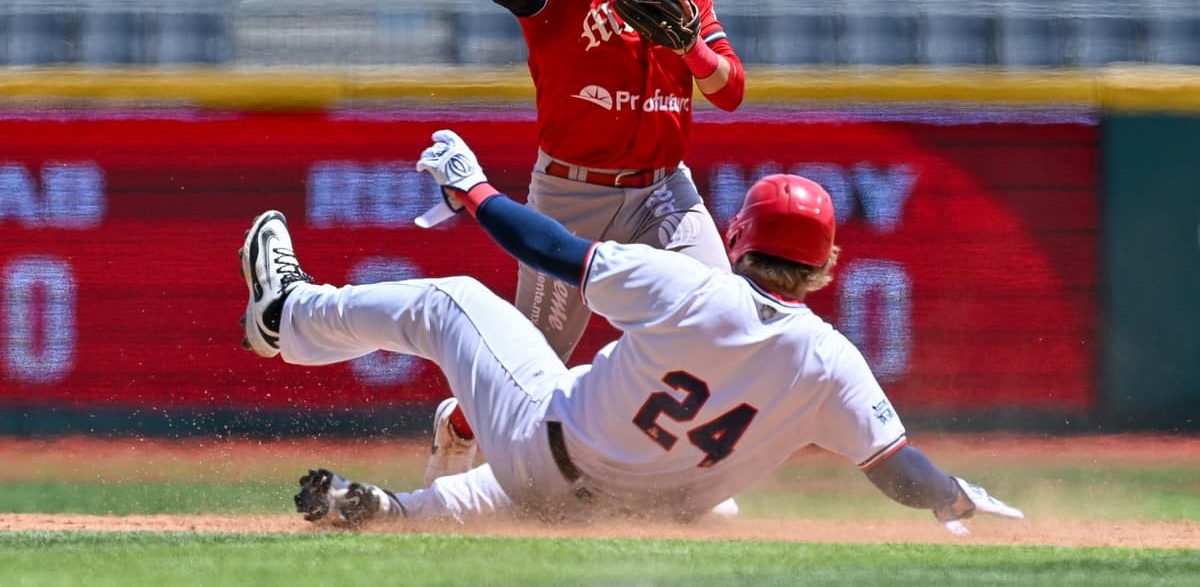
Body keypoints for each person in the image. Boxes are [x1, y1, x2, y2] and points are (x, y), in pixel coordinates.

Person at [239, 130, 1024, 534]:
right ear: (824, 269)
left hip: (547, 454)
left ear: (739, 235)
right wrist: (959, 499)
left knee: (449, 303)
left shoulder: (693, 287)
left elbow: (549, 247)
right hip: (641, 514)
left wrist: (472, 190)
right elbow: (899, 473)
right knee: (709, 515)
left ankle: (285, 315)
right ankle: (392, 512)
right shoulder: (831, 361)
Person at [424, 0, 748, 485]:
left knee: (724, 323)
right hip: (572, 197)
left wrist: (689, 48)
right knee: (530, 362)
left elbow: (731, 92)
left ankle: (662, 469)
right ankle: (459, 425)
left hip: (664, 194)